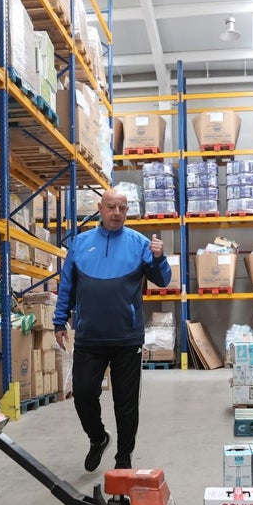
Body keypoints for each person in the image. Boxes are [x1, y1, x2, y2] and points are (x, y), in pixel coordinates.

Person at [53, 187, 170, 472]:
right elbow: (67, 284)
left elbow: (163, 280)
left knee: (126, 403)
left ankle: (123, 457)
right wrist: (59, 320)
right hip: (89, 337)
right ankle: (98, 438)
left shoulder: (140, 243)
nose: (116, 213)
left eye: (122, 208)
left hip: (126, 338)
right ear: (100, 208)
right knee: (82, 393)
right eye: (111, 207)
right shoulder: (80, 244)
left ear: (127, 211)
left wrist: (158, 258)